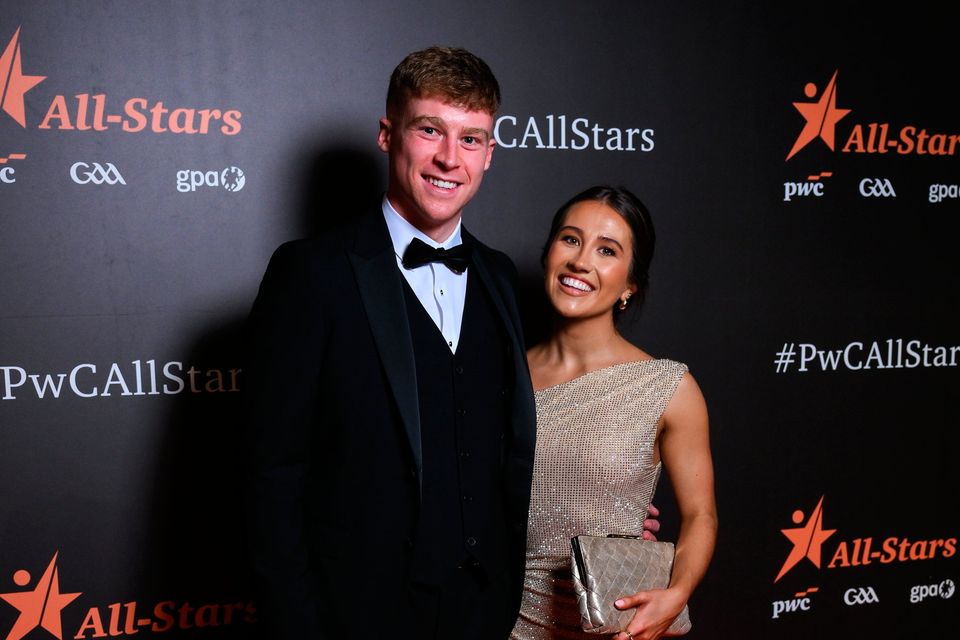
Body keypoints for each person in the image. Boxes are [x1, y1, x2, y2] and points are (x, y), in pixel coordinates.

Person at [509, 185, 718, 640]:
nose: (581, 261)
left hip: (615, 627)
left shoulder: (668, 387)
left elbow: (701, 515)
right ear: (548, 254)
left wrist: (677, 592)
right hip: (504, 622)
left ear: (629, 283)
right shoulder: (496, 378)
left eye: (607, 250)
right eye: (570, 239)